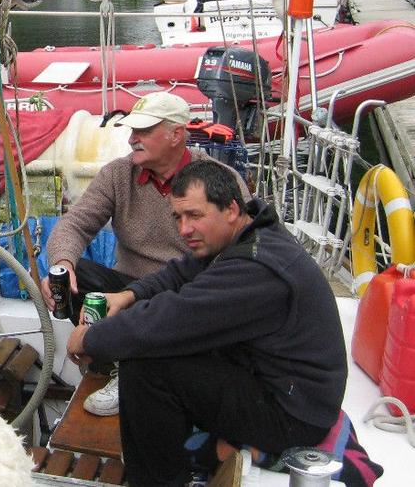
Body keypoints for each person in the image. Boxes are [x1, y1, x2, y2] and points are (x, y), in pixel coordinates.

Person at [67, 160, 346, 486]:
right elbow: (177, 274)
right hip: (271, 379)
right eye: (178, 217)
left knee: (145, 364)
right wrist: (127, 295)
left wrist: (90, 339)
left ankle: (157, 480)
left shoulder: (257, 268)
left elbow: (169, 320)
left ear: (230, 209)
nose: (184, 229)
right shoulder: (245, 234)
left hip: (292, 413)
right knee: (147, 340)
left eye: (194, 216)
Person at [39, 91, 246, 415]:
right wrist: (61, 267)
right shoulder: (119, 175)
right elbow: (74, 224)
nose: (132, 138)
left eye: (144, 131)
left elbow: (240, 250)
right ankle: (117, 364)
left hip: (186, 291)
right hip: (129, 287)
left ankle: (133, 368)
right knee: (78, 276)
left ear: (177, 134)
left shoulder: (218, 181)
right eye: (132, 130)